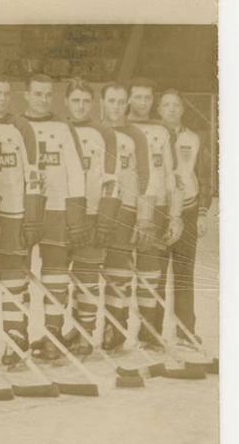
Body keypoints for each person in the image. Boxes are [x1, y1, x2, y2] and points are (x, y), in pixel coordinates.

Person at [21, 73, 87, 360]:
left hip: (57, 210)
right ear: (26, 95)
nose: (44, 100)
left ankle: (52, 334)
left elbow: (75, 171)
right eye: (38, 94)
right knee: (18, 275)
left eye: (48, 95)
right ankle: (17, 333)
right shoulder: (16, 124)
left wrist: (76, 214)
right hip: (22, 210)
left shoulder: (62, 127)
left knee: (55, 275)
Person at [0, 74, 42, 366]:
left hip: (14, 211)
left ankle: (16, 335)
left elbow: (34, 173)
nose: (2, 98)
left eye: (7, 93)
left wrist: (32, 214)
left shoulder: (22, 127)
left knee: (13, 277)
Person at [61, 78, 122, 355]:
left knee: (86, 276)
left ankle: (86, 335)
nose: (81, 106)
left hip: (92, 213)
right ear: (66, 102)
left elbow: (112, 178)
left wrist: (106, 217)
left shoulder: (105, 133)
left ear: (93, 103)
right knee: (62, 278)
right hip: (60, 213)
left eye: (86, 101)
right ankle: (72, 330)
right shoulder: (58, 130)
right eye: (75, 100)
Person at [126, 77, 184, 350]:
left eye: (148, 98)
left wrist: (175, 213)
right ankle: (114, 329)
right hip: (124, 207)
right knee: (119, 272)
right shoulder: (119, 127)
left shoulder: (163, 131)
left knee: (151, 271)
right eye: (138, 97)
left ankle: (147, 330)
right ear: (128, 98)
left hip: (157, 207)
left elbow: (172, 174)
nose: (143, 103)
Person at [99, 82, 157, 351]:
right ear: (103, 102)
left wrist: (144, 217)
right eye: (112, 100)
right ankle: (77, 326)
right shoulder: (91, 129)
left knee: (117, 270)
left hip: (125, 208)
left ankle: (115, 326)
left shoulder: (136, 135)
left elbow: (146, 178)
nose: (117, 106)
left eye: (122, 101)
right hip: (95, 207)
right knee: (85, 269)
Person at [156, 88, 213, 345]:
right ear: (159, 109)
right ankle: (152, 332)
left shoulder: (194, 139)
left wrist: (202, 212)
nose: (171, 109)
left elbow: (204, 177)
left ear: (182, 109)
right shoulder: (151, 137)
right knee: (155, 273)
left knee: (183, 273)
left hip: (188, 211)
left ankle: (185, 331)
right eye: (166, 105)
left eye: (175, 105)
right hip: (159, 212)